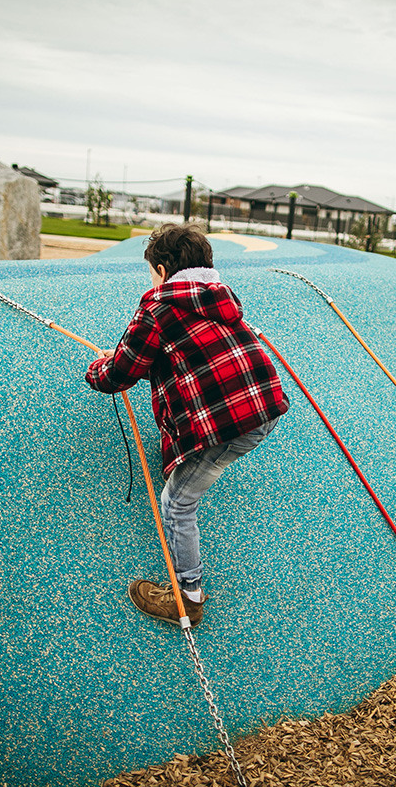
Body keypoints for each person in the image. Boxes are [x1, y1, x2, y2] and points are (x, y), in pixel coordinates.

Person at [85, 223, 289, 626]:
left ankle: (187, 597)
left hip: (226, 423)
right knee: (189, 487)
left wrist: (98, 367)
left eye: (151, 272)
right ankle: (188, 589)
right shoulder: (218, 297)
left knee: (176, 502)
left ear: (162, 270)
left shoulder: (158, 304)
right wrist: (137, 354)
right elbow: (182, 348)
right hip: (263, 408)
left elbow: (119, 374)